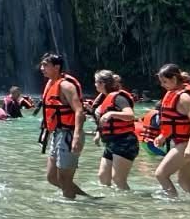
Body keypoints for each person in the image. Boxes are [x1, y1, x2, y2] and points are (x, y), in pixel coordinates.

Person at [39, 53, 92, 201]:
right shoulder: (51, 84)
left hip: (69, 134)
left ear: (56, 67)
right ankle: (87, 198)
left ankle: (70, 209)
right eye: (42, 65)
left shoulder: (65, 86)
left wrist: (76, 136)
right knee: (51, 177)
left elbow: (79, 111)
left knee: (64, 179)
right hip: (57, 133)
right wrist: (46, 131)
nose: (42, 68)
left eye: (45, 65)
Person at [154, 63, 190, 198]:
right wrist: (162, 136)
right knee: (184, 182)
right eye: (161, 82)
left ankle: (173, 205)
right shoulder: (172, 94)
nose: (162, 85)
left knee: (161, 174)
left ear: (174, 79)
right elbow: (172, 122)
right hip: (183, 143)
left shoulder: (184, 98)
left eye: (165, 81)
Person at [90, 70, 139, 191]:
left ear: (102, 83)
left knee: (118, 179)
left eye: (96, 82)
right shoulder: (104, 98)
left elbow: (130, 115)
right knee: (103, 177)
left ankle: (128, 205)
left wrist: (112, 113)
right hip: (111, 142)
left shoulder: (118, 97)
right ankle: (110, 205)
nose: (95, 85)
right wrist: (98, 133)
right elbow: (103, 120)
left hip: (125, 141)